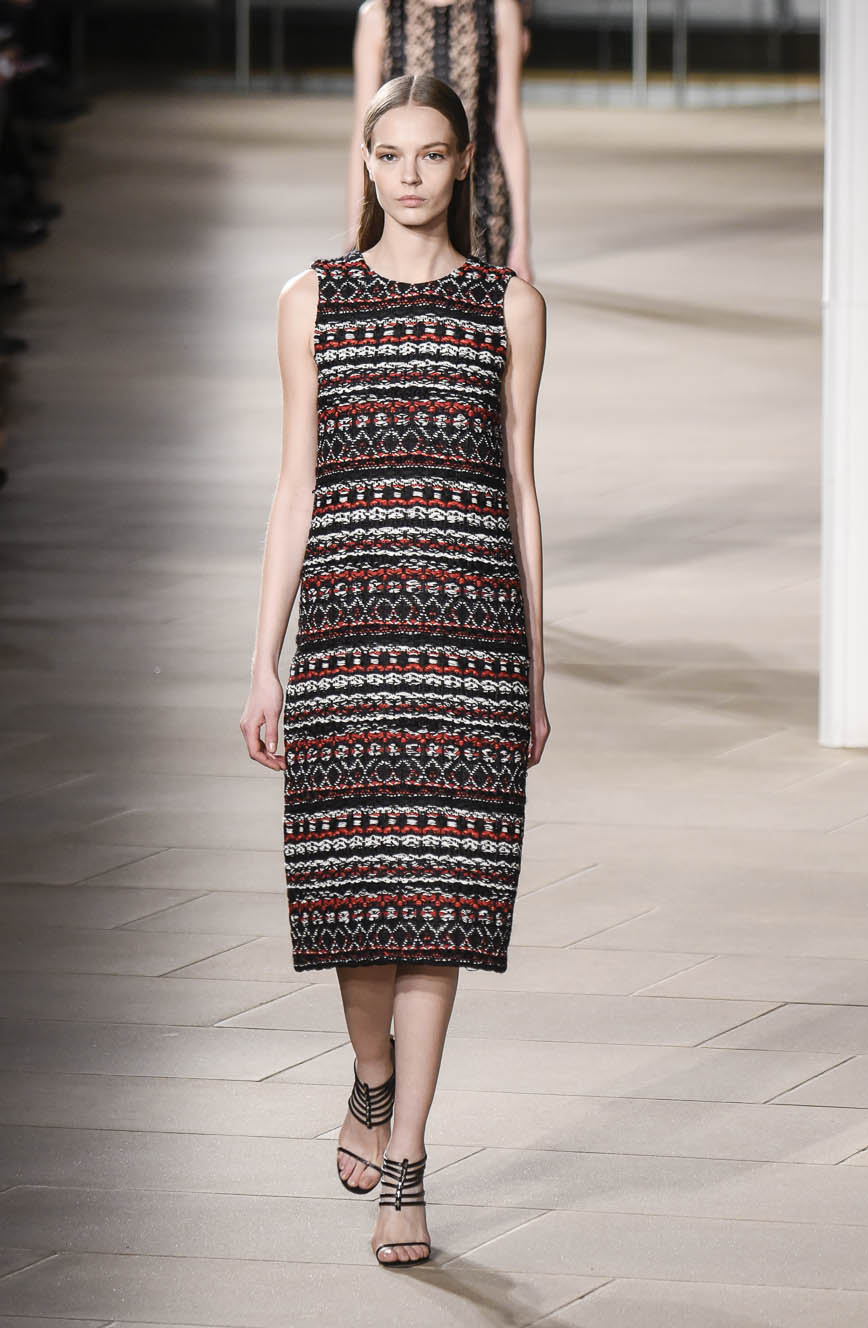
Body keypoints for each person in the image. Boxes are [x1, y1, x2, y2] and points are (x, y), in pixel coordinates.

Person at [241, 72, 548, 1267]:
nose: (410, 174)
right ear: (365, 164)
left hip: (471, 639)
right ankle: (371, 1074)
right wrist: (263, 660)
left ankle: (408, 1161)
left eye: (431, 153)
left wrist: (535, 667)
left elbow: (520, 486)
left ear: (463, 163)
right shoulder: (310, 300)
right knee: (358, 904)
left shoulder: (508, 305)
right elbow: (294, 485)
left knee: (441, 911)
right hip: (346, 635)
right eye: (389, 154)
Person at [349, 0, 533, 280]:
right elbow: (365, 133)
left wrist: (522, 239)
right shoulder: (379, 14)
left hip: (484, 196)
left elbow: (508, 124)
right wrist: (355, 230)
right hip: (402, 191)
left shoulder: (499, 10)